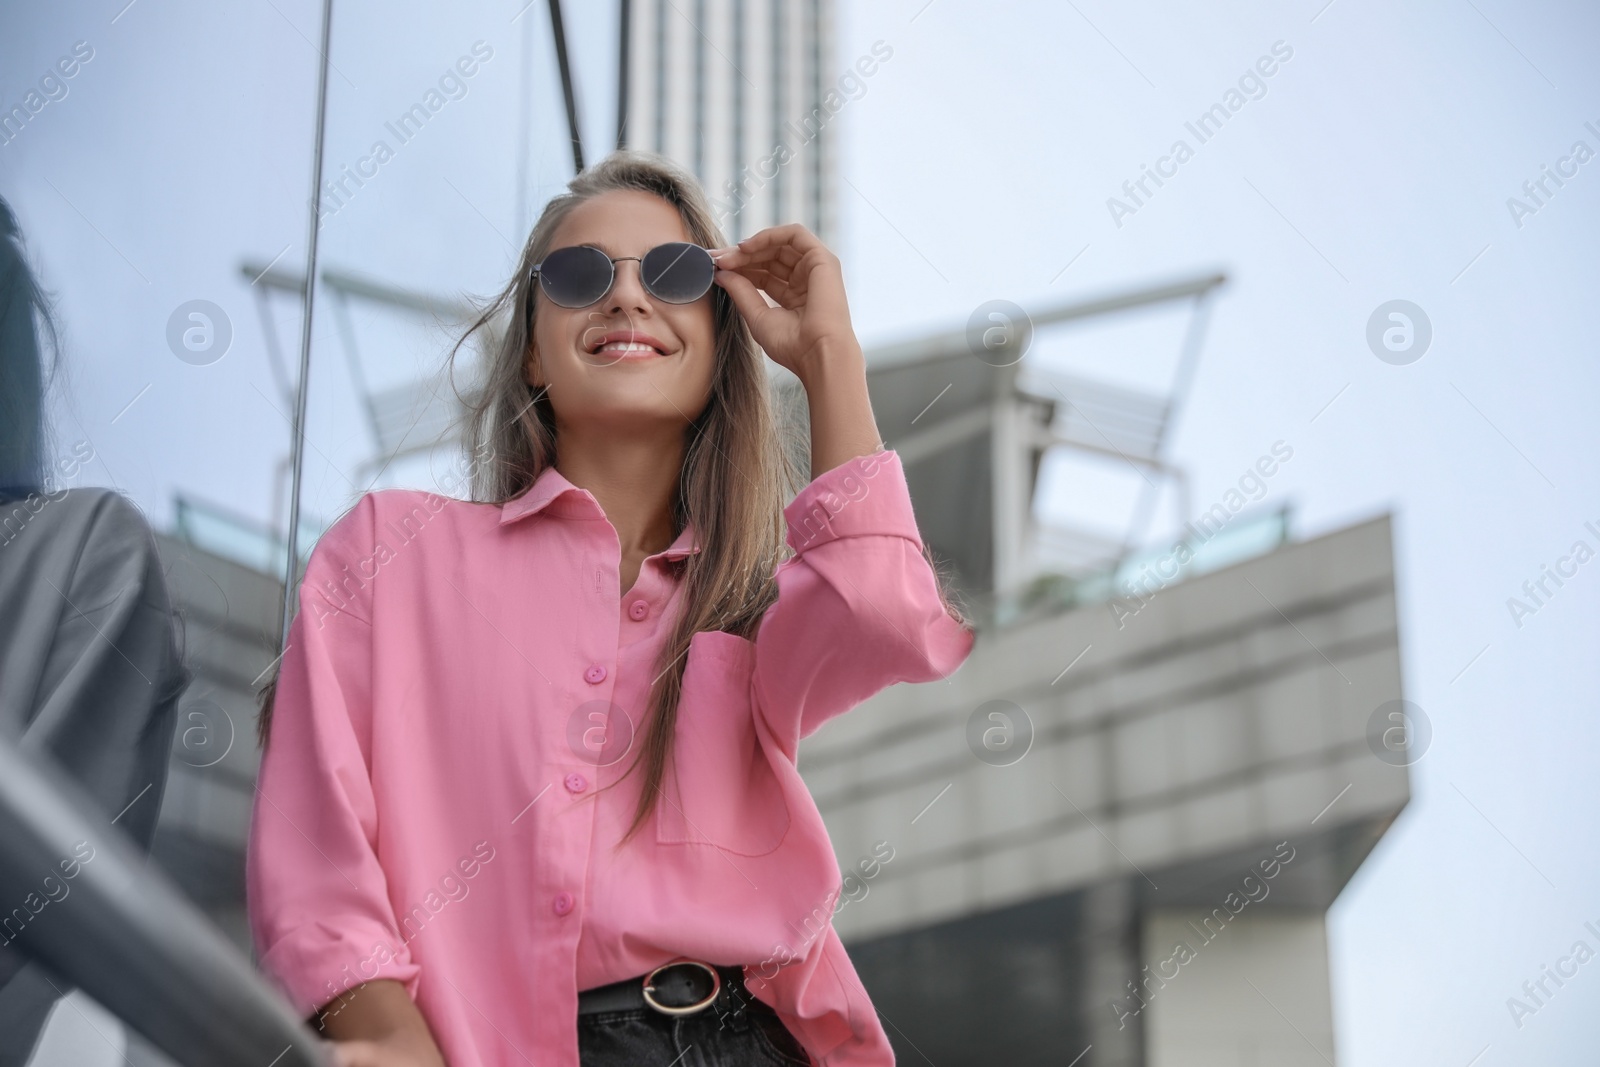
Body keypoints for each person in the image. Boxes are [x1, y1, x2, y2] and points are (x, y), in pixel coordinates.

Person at [247, 151, 975, 1067]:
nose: (627, 298)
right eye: (581, 275)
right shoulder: (389, 553)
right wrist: (384, 1032)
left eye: (673, 274)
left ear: (720, 345)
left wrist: (828, 355)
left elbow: (885, 619)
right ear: (532, 350)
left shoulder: (750, 613)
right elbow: (312, 843)